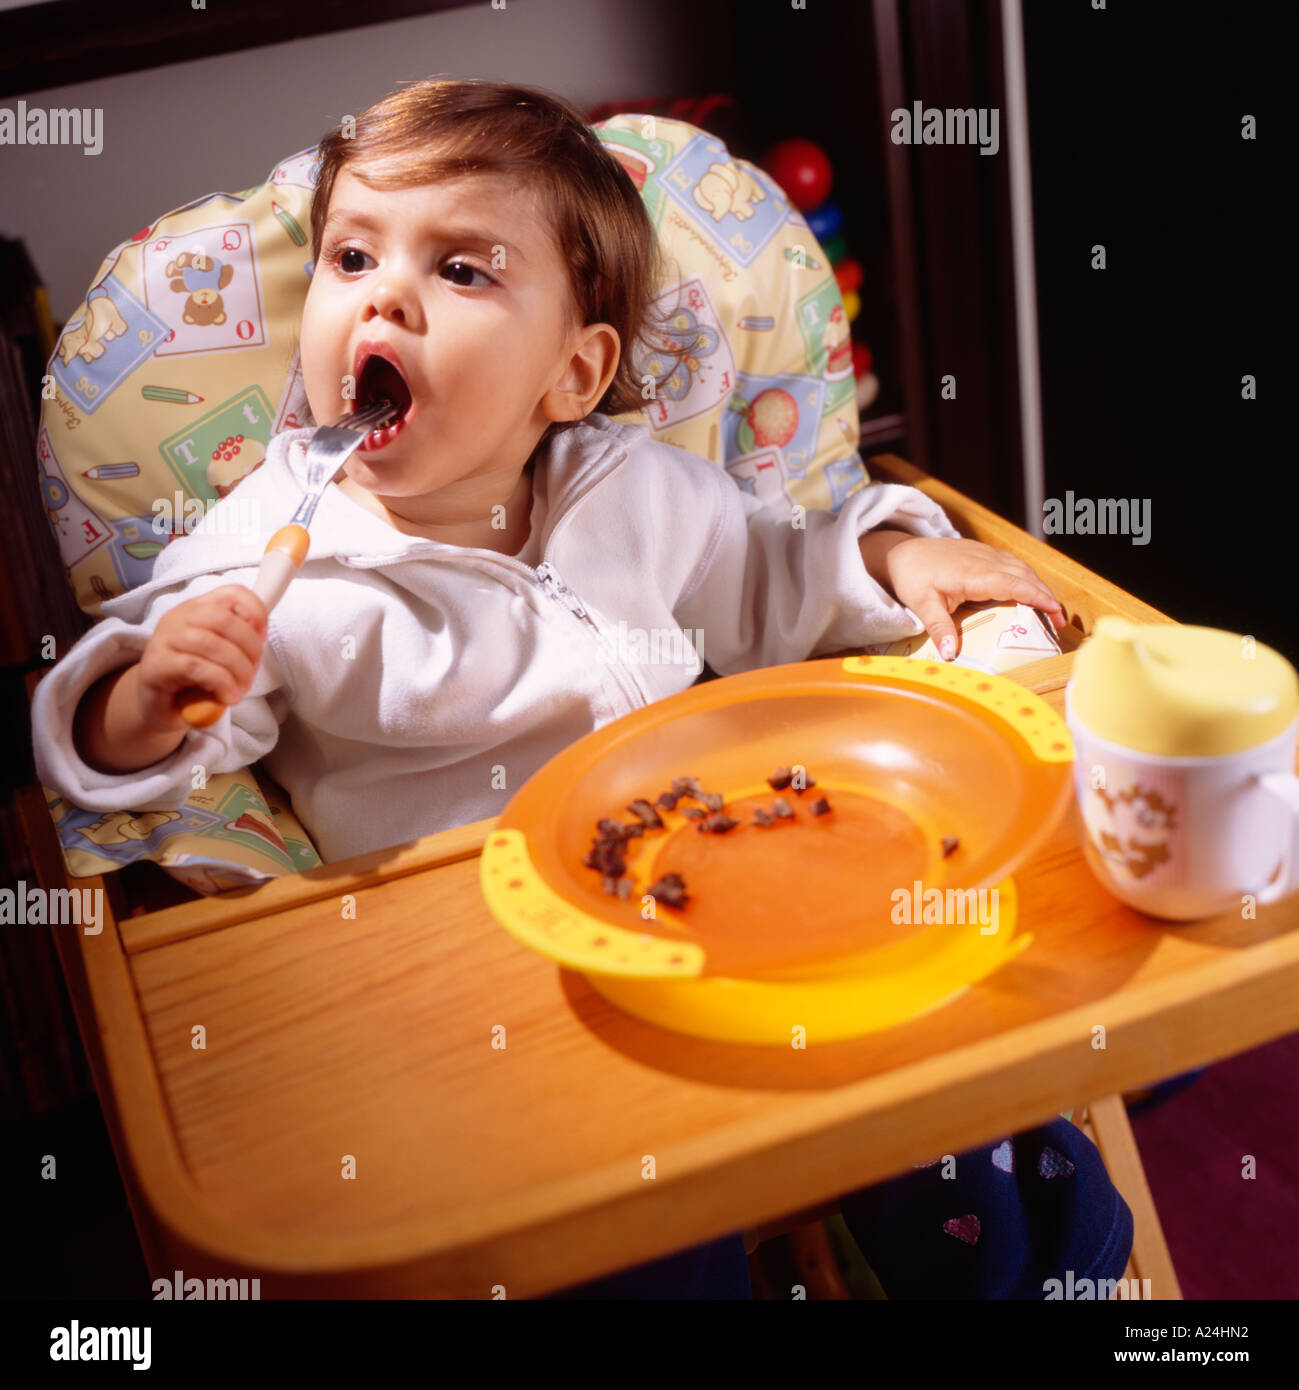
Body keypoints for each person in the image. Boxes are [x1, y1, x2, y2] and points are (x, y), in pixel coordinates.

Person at [32, 77, 1127, 1298]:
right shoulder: (268, 551)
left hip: (713, 895)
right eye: (353, 257)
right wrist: (146, 698)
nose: (384, 293)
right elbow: (147, 721)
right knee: (631, 1228)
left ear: (573, 371)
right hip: (480, 988)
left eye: (462, 271)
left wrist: (890, 555)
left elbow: (775, 571)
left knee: (948, 1086)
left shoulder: (635, 489)